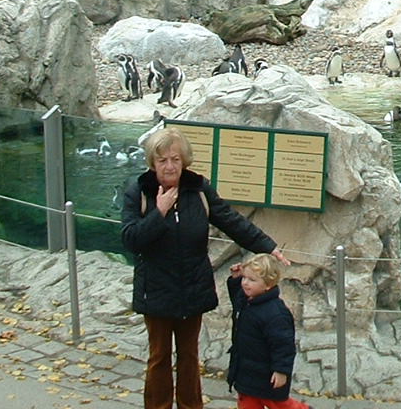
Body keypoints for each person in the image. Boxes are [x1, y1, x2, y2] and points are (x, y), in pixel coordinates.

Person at [121, 127, 290, 409]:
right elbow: (131, 239)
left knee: (189, 356)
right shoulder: (139, 191)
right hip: (156, 289)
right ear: (152, 162)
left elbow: (231, 220)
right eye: (163, 160)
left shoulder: (197, 188)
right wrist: (158, 211)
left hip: (192, 287)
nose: (170, 166)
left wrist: (267, 246)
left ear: (184, 160)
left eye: (175, 159)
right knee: (159, 356)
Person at [225, 253, 312, 409]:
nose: (245, 283)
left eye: (252, 280)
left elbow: (284, 346)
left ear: (268, 284)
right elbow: (237, 300)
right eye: (245, 278)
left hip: (267, 375)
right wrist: (236, 279)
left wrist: (281, 371)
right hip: (245, 370)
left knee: (280, 404)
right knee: (247, 402)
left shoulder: (276, 314)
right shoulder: (246, 301)